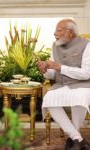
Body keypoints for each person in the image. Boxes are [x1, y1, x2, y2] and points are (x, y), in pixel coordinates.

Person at [37, 18, 90, 150]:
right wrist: (45, 70)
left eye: (59, 31)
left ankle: (74, 138)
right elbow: (53, 74)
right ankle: (77, 138)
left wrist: (60, 67)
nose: (55, 33)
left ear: (70, 32)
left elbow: (86, 73)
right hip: (61, 84)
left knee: (79, 97)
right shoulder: (55, 45)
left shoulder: (87, 45)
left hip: (83, 84)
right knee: (49, 98)